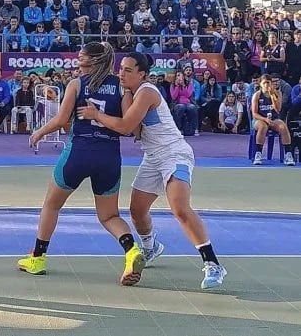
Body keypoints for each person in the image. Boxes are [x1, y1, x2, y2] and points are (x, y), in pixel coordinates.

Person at [80, 52, 227, 289]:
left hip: (175, 153)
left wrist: (95, 114)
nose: (121, 73)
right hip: (153, 157)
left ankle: (212, 264)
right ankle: (150, 248)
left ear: (142, 74)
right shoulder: (131, 92)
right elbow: (135, 130)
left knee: (179, 208)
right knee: (137, 211)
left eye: (128, 70)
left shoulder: (147, 91)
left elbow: (126, 126)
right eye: (121, 69)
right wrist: (125, 91)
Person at [21, 42, 146, 286]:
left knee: (52, 204)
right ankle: (131, 251)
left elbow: (60, 119)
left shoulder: (77, 84)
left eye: (83, 55)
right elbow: (129, 127)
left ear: (94, 60)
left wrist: (38, 133)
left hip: (79, 152)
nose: (78, 57)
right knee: (109, 215)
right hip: (109, 156)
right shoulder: (121, 88)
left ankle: (37, 258)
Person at [251, 74, 296, 166]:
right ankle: (258, 154)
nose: (267, 85)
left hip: (273, 119)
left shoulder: (277, 93)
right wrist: (265, 119)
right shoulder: (257, 95)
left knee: (283, 126)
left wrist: (272, 96)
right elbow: (254, 113)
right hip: (259, 119)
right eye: (265, 83)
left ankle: (288, 154)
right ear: (260, 84)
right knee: (263, 127)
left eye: (268, 83)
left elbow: (278, 109)